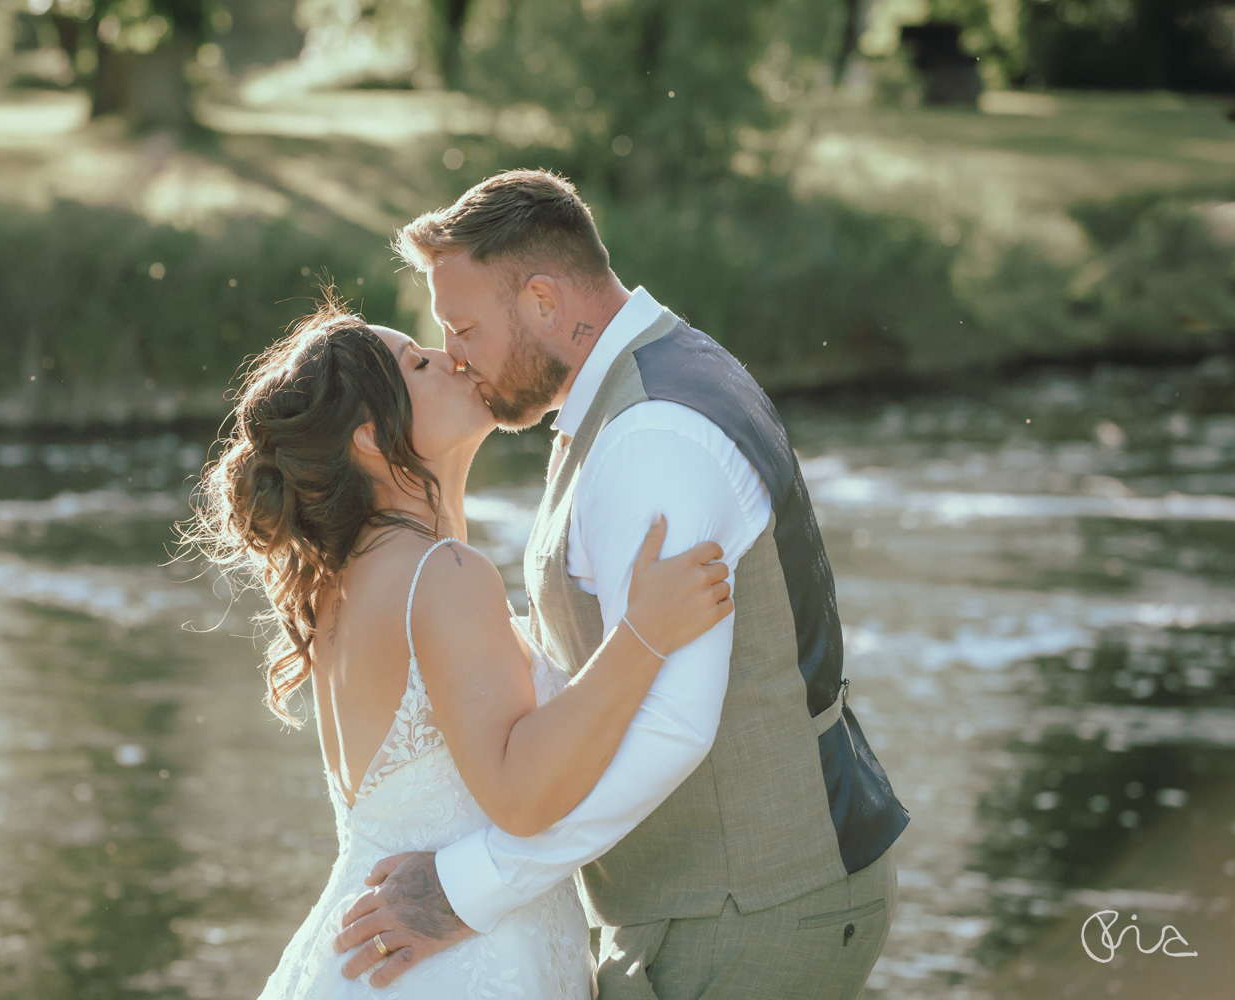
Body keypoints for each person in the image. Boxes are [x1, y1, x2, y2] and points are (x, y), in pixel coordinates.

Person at [332, 169, 912, 998]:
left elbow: (675, 723)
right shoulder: (651, 375)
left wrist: (471, 887)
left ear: (540, 300)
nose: (455, 356)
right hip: (709, 904)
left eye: (462, 327)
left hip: (751, 909)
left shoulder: (652, 437)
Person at [186, 299, 735, 996]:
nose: (451, 357)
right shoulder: (437, 574)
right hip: (456, 965)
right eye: (418, 363)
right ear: (370, 439)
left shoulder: (348, 578)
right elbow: (520, 795)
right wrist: (644, 637)